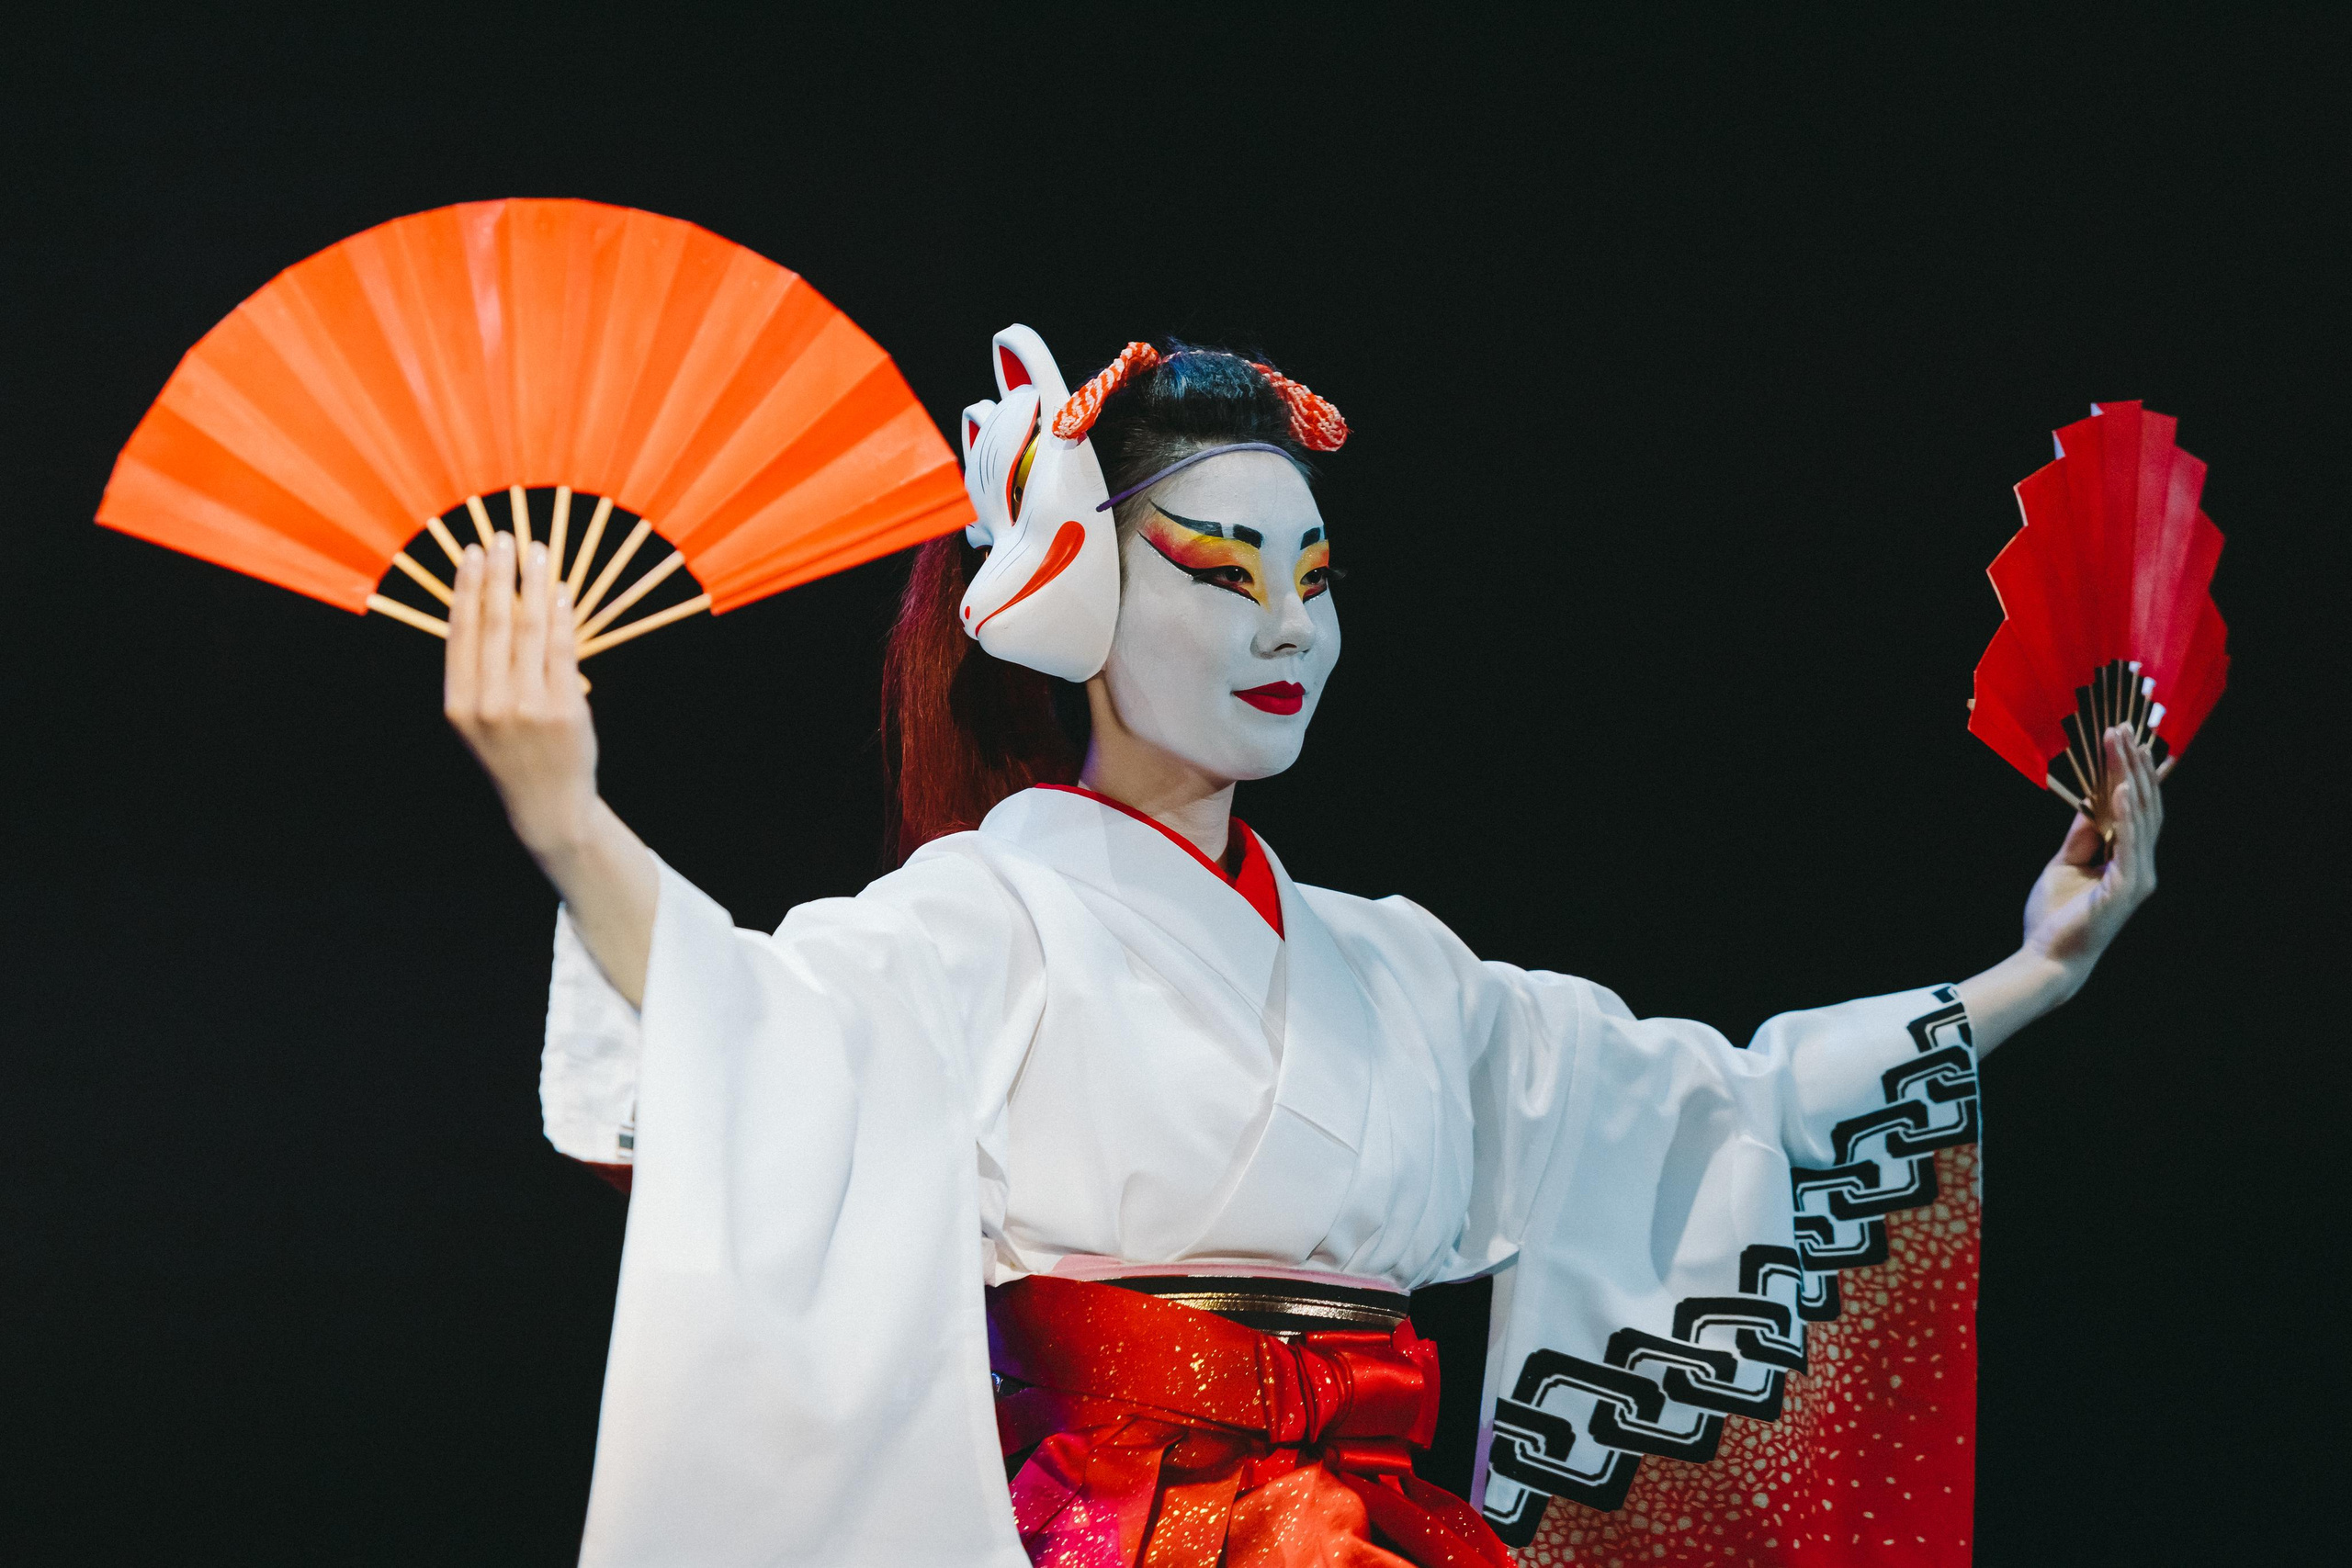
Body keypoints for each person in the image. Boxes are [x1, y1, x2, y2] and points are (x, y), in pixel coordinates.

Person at [440, 330, 2164, 1568]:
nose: (1286, 627)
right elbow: (766, 1034)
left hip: (1379, 1530)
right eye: (1217, 569)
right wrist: (569, 822)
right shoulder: (996, 915)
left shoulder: (1401, 969)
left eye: (1313, 577)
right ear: (1077, 598)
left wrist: (2034, 972)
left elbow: (1707, 1103)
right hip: (1113, 1540)